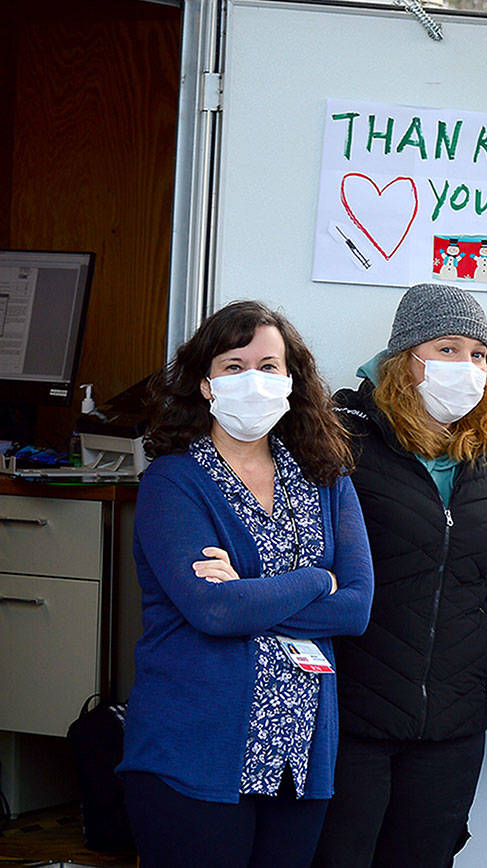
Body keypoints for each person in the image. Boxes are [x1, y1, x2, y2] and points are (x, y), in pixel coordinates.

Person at [119, 301, 374, 868]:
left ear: (290, 380)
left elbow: (356, 608)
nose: (252, 380)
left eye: (268, 366)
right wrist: (317, 578)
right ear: (206, 386)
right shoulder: (173, 481)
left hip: (299, 754)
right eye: (234, 366)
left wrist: (248, 592)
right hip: (194, 754)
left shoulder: (325, 478)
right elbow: (213, 612)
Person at [312, 283, 487, 867]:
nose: (469, 367)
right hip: (353, 714)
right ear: (405, 358)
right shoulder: (344, 441)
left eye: (480, 355)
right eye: (449, 349)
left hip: (451, 724)